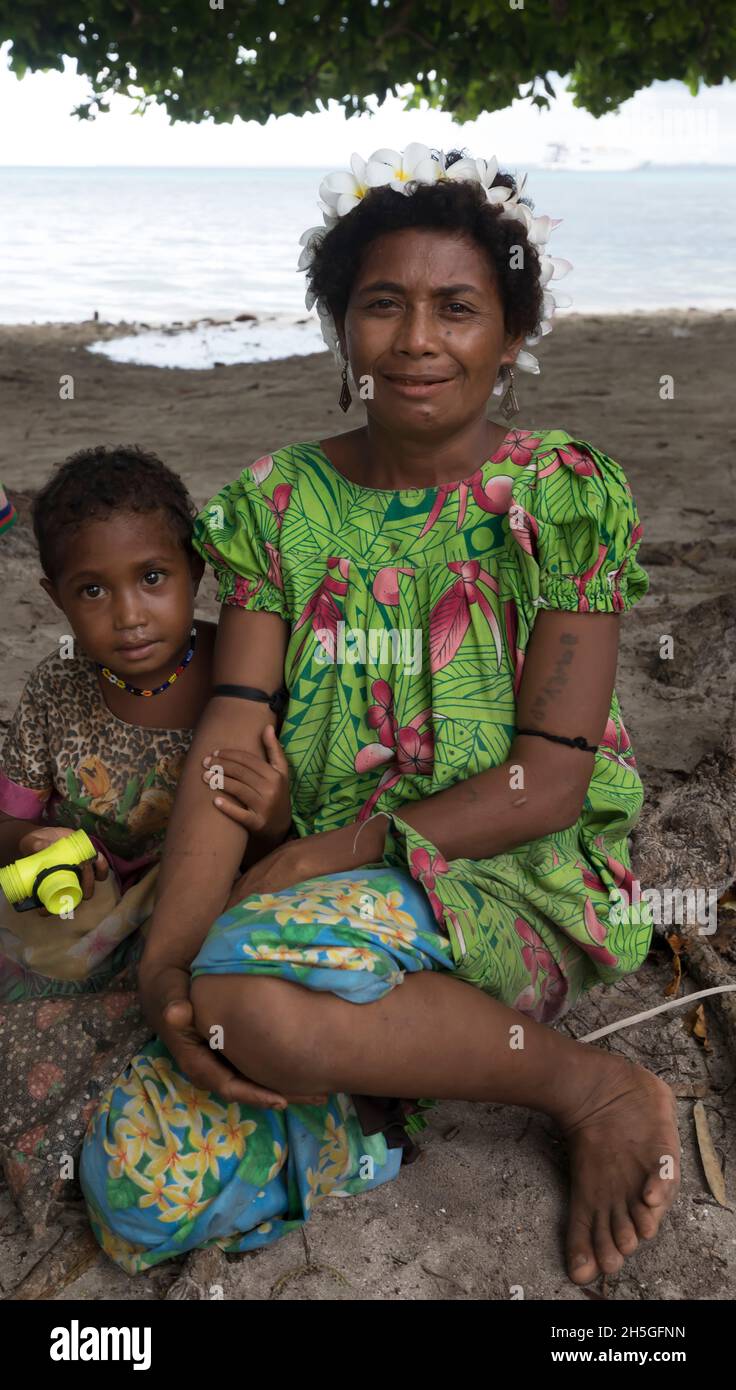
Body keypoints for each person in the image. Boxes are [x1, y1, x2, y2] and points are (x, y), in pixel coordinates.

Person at [80, 145, 679, 1288]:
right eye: (381, 306)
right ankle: (368, 1120)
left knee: (246, 990)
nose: (415, 340)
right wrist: (160, 970)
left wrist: (320, 852)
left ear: (509, 339)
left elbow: (550, 775)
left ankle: (588, 1085)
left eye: (457, 308)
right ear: (339, 330)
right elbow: (231, 729)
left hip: (511, 871)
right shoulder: (276, 504)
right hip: (327, 895)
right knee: (137, 1187)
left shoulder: (558, 493)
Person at [0, 444, 291, 1234]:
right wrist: (31, 839)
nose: (128, 615)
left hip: (194, 917)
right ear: (53, 596)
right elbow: (7, 822)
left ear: (197, 571)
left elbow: (284, 845)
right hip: (79, 916)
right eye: (92, 590)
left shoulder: (244, 679)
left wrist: (272, 817)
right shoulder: (56, 692)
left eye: (152, 579)